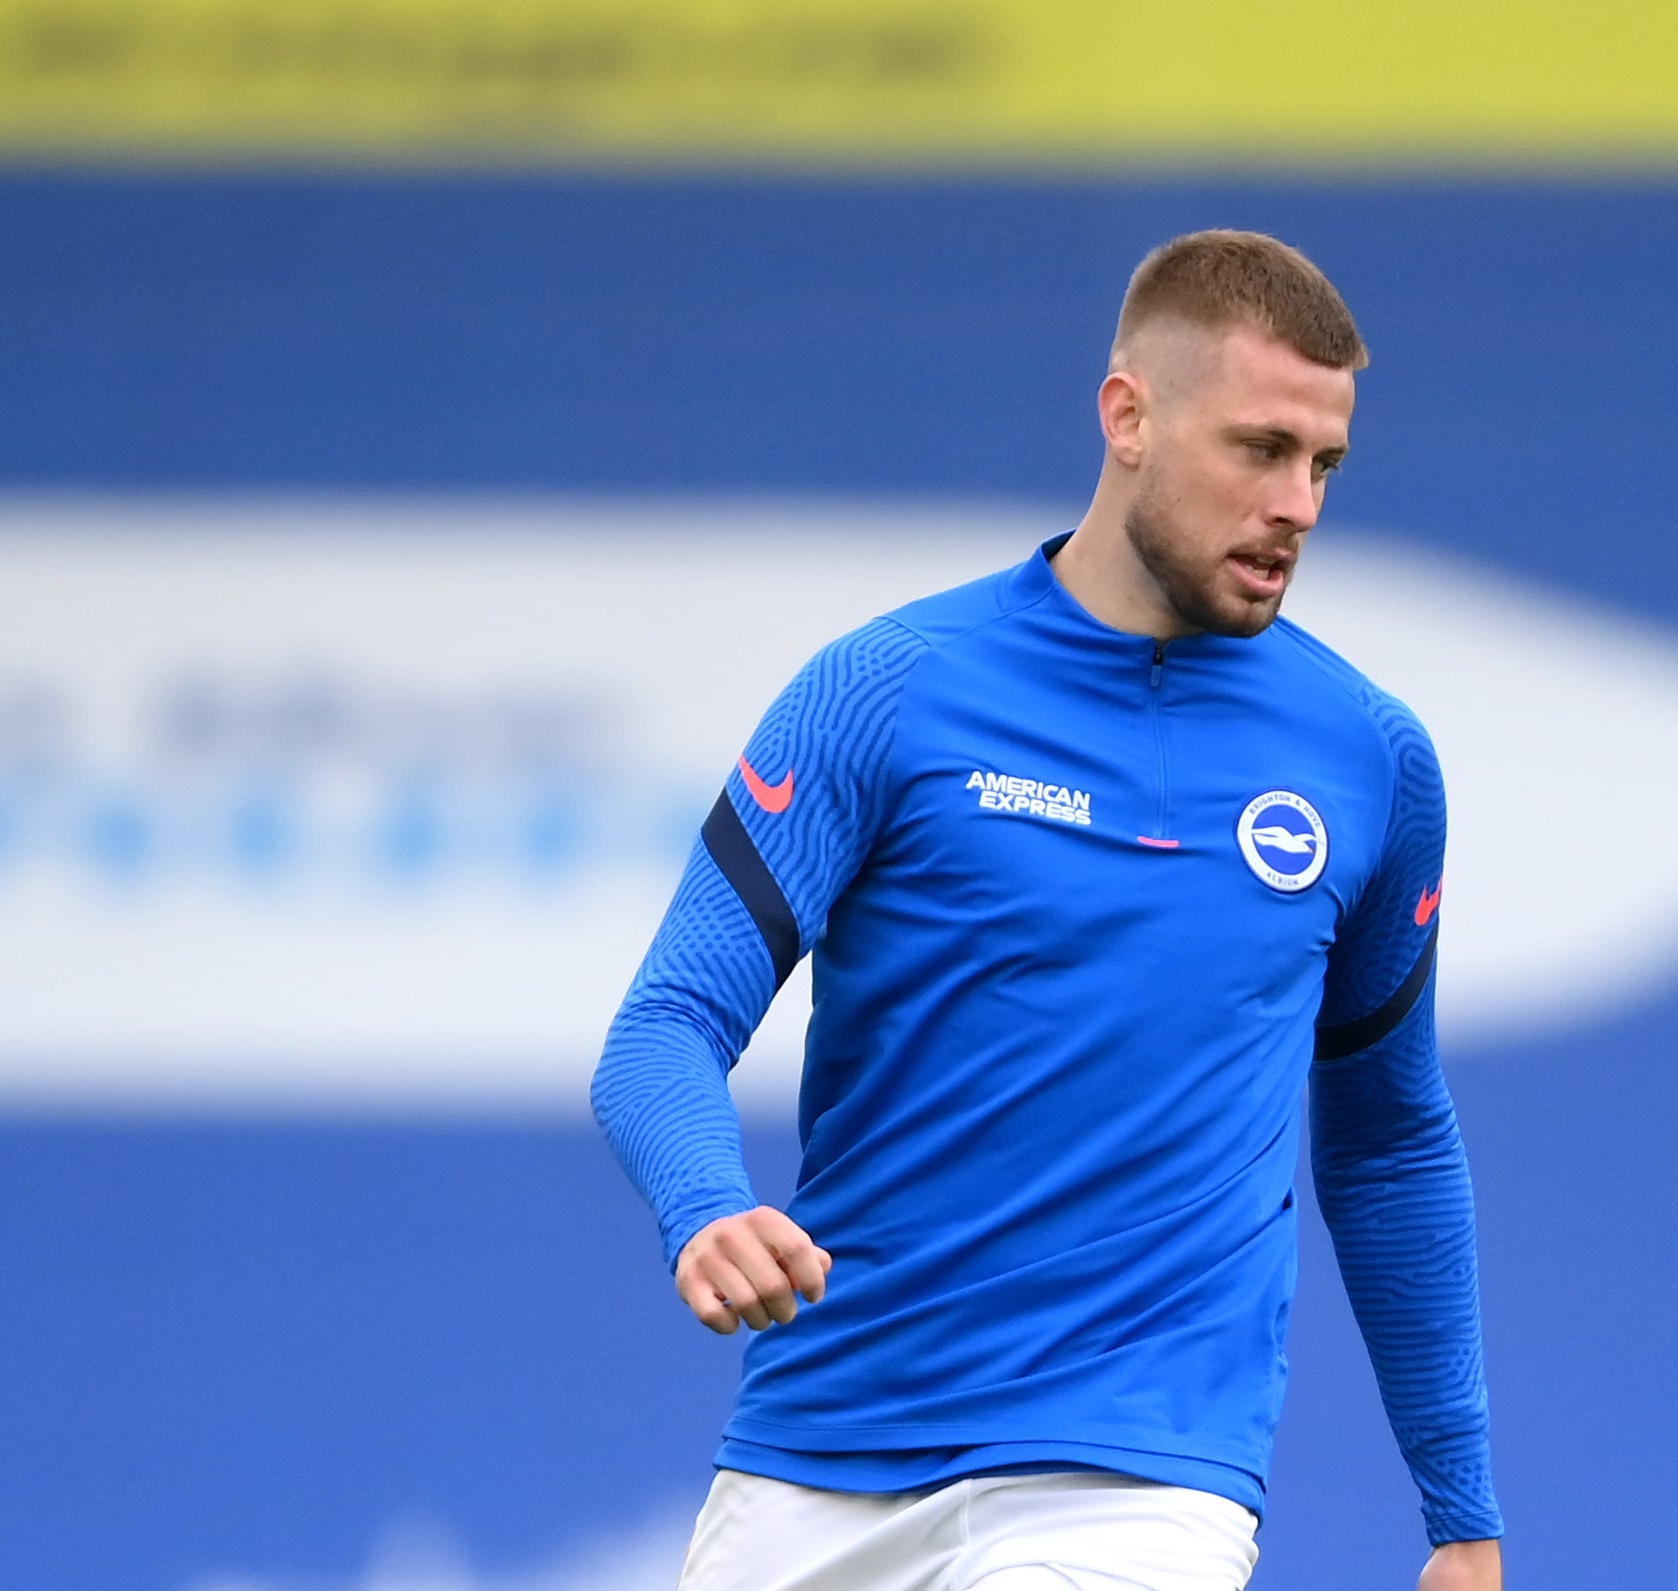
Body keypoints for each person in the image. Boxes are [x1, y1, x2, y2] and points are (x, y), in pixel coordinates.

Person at [592, 229, 1503, 1591]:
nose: (1296, 504)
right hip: (815, 1452)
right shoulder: (885, 693)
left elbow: (1386, 1145)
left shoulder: (1369, 759)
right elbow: (662, 1026)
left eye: (1323, 466)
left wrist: (1460, 1514)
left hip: (1132, 1488)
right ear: (1126, 415)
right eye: (1259, 449)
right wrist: (706, 1206)